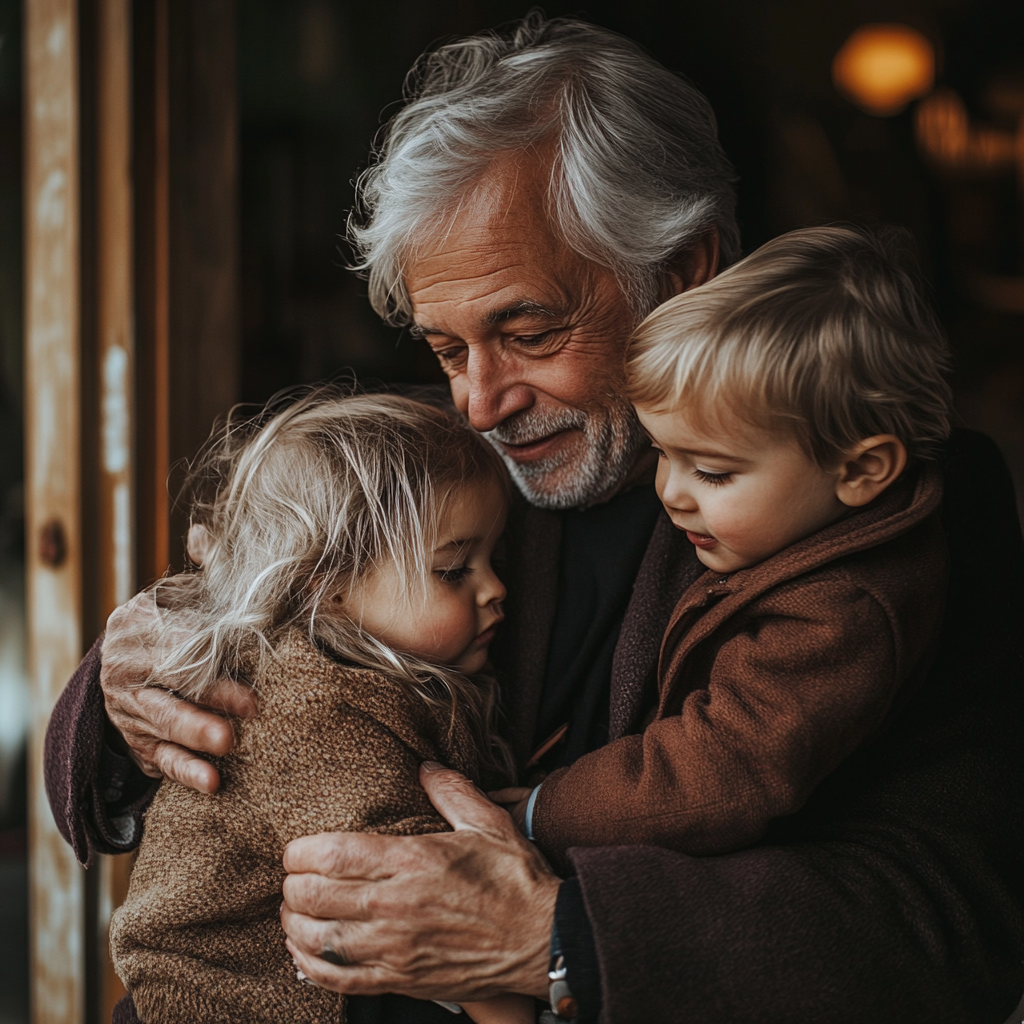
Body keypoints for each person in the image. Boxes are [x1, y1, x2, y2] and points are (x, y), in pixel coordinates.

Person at [44, 15, 1024, 1023]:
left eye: (528, 330)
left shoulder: (890, 503)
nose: (479, 401)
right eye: (447, 349)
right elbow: (232, 649)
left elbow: (948, 922)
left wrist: (555, 940)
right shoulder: (421, 461)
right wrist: (134, 696)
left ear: (682, 271)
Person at [521, 225, 951, 862]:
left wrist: (539, 811)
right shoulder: (790, 532)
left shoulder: (843, 612)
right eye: (661, 452)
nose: (670, 491)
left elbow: (717, 774)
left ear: (861, 472)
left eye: (714, 471)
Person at [107, 391, 533, 1024]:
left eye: (491, 560)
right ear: (325, 585)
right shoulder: (310, 700)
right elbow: (409, 889)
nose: (496, 588)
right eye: (454, 570)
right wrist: (511, 1008)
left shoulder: (375, 674)